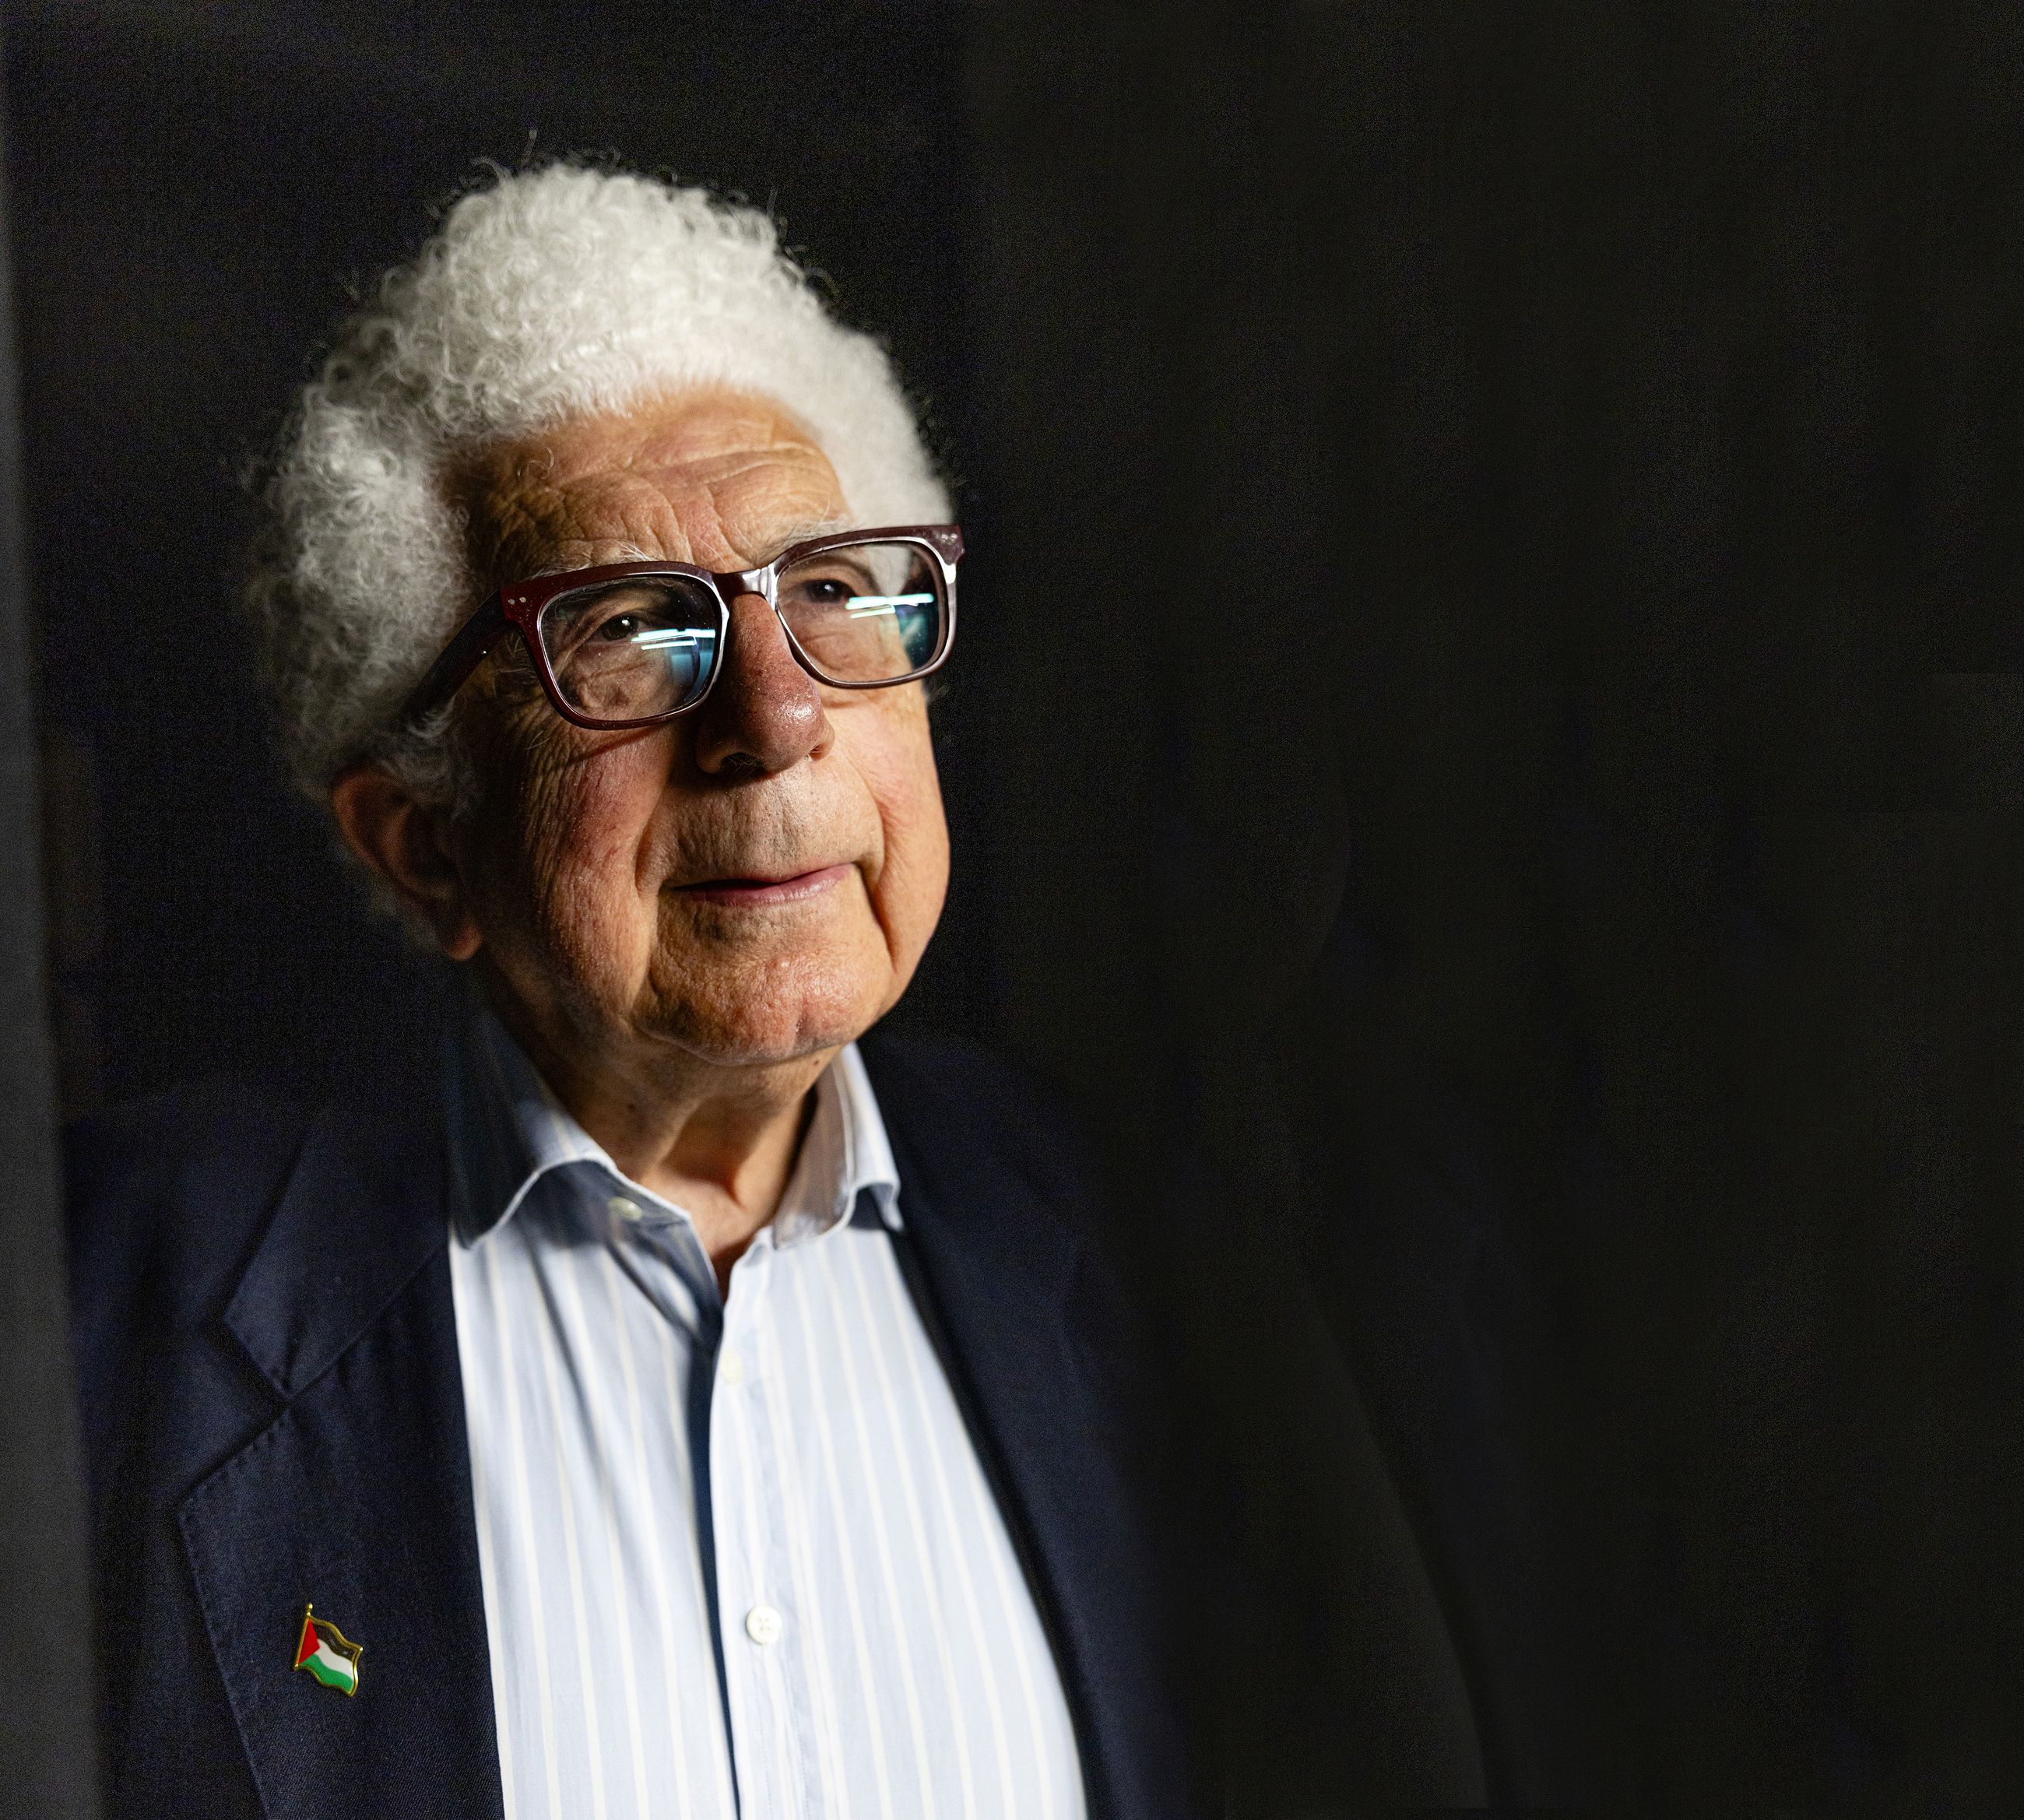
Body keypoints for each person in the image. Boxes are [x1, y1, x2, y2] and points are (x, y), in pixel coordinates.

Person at [64, 161, 1541, 1817]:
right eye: (631, 628)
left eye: (834, 589)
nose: (774, 718)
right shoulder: (101, 1313)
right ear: (425, 844)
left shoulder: (1172, 1254)